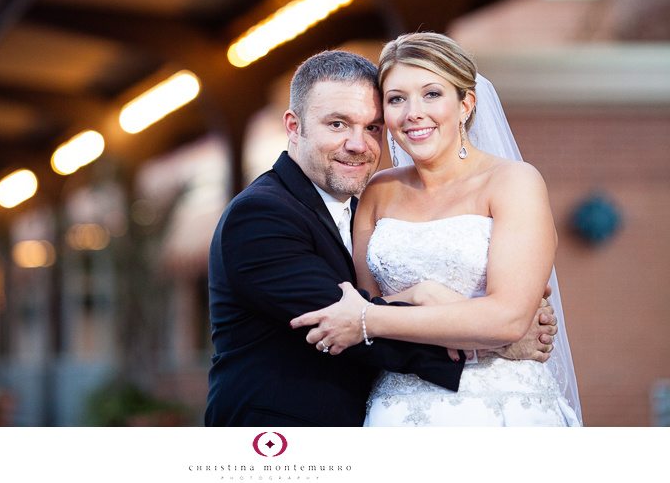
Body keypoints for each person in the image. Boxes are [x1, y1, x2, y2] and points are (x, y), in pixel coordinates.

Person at [205, 49, 556, 427]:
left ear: (466, 104)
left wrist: (499, 321)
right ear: (293, 126)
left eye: (372, 127)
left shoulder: (358, 205)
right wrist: (492, 341)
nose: (358, 144)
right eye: (337, 124)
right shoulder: (261, 216)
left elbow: (365, 309)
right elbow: (340, 316)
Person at [291, 33, 582, 426]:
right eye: (396, 99)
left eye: (431, 94)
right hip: (397, 410)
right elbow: (368, 304)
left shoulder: (514, 183)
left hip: (502, 408)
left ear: (466, 104)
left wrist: (367, 320)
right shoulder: (378, 192)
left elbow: (509, 320)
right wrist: (423, 296)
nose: (413, 112)